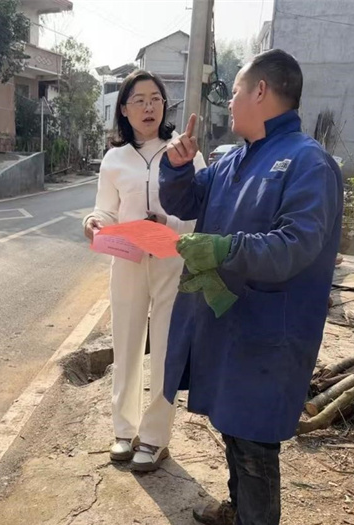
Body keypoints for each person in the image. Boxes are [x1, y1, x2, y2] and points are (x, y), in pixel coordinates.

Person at [158, 50, 343, 525]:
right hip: (229, 322)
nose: (231, 102)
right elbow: (187, 200)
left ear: (261, 91)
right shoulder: (234, 160)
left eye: (236, 91)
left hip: (270, 332)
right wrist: (178, 166)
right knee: (233, 426)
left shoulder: (308, 163)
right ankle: (239, 508)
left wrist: (224, 248)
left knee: (256, 441)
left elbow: (296, 246)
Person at [82, 70, 206, 472]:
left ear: (164, 106)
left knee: (166, 349)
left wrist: (168, 224)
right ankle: (124, 431)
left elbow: (199, 213)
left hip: (173, 260)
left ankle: (154, 438)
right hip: (128, 261)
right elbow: (106, 210)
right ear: (124, 109)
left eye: (156, 98)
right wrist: (94, 222)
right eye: (139, 100)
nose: (149, 107)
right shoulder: (115, 159)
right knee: (127, 343)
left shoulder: (184, 151)